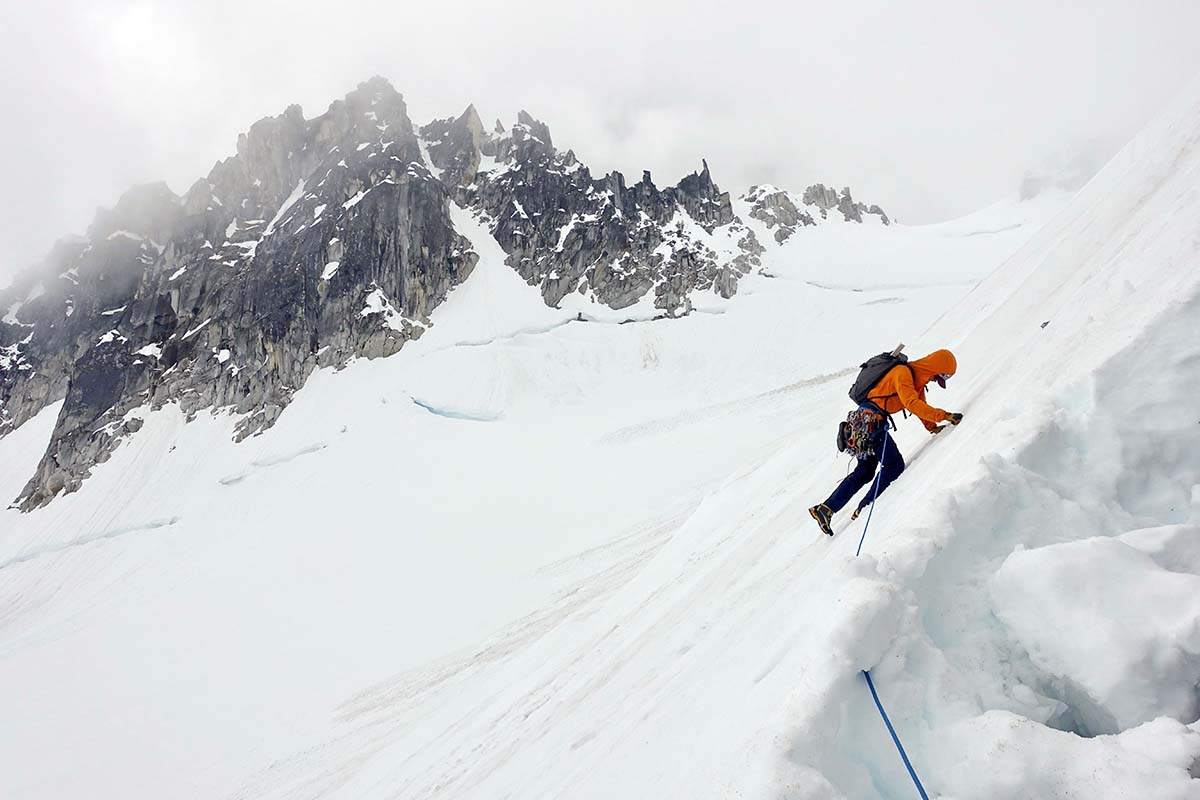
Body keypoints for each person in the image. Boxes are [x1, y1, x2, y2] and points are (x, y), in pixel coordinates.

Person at [809, 349, 963, 536]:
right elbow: (911, 403)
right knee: (894, 465)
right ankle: (864, 508)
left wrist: (932, 426)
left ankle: (825, 509)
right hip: (871, 423)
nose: (934, 381)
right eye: (936, 377)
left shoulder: (916, 381)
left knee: (864, 471)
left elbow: (919, 403)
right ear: (933, 368)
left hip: (860, 424)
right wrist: (944, 415)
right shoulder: (902, 373)